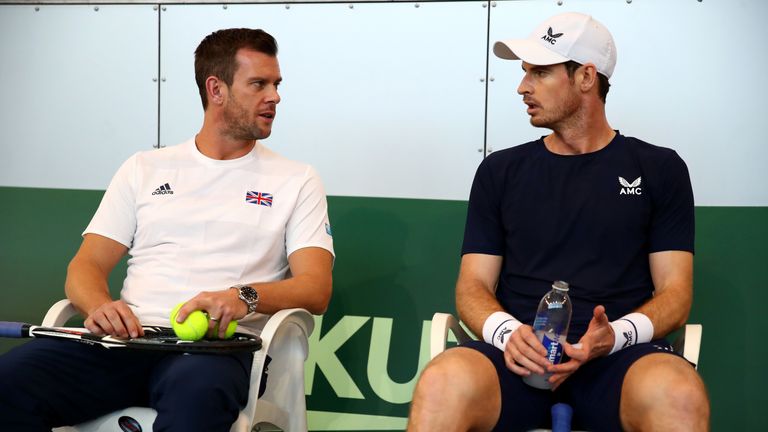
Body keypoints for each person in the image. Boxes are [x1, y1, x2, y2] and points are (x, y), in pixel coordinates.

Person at [0, 28, 334, 431]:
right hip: (126, 343)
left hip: (214, 352)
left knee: (198, 397)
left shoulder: (297, 179)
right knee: (12, 378)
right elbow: (84, 267)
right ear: (216, 89)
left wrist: (243, 297)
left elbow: (316, 288)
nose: (275, 96)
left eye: (276, 84)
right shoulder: (144, 167)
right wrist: (100, 307)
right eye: (259, 84)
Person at [408, 12, 708, 431]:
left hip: (619, 361)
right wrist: (508, 334)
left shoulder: (660, 169)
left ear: (586, 77)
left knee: (680, 392)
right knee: (442, 381)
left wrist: (613, 337)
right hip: (517, 361)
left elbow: (676, 294)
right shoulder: (500, 171)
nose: (522, 86)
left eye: (540, 72)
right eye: (524, 72)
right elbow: (471, 286)